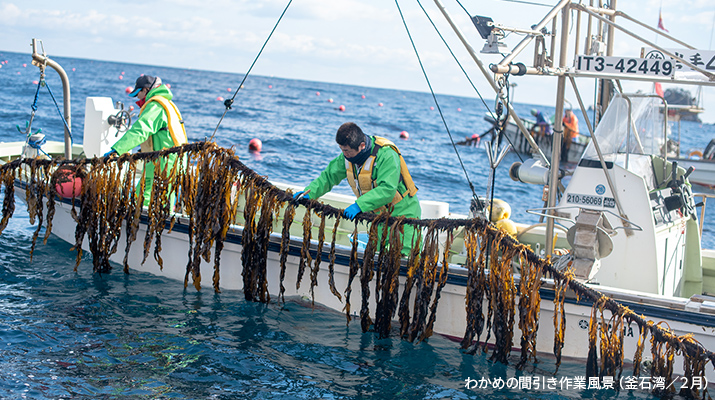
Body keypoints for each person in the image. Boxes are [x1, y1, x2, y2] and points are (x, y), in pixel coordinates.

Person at [294, 122, 421, 254]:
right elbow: (328, 177)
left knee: (404, 256)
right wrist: (309, 192)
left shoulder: (386, 155)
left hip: (403, 215)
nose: (344, 154)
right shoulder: (346, 157)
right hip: (377, 217)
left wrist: (358, 206)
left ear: (362, 146)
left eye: (347, 150)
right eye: (341, 149)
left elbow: (388, 190)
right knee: (373, 256)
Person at [105, 75, 188, 206]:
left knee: (146, 196)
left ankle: (143, 221)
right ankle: (161, 222)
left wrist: (117, 149)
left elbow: (140, 130)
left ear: (146, 90)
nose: (138, 98)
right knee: (164, 196)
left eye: (138, 93)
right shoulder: (166, 103)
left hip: (163, 160)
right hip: (171, 158)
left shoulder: (155, 106)